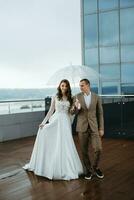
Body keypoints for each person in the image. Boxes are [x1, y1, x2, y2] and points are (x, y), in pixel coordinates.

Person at [23, 79, 83, 180]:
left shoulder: (71, 98)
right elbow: (51, 111)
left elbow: (72, 112)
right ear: (59, 86)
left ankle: (67, 168)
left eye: (66, 86)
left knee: (65, 143)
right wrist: (43, 123)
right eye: (62, 85)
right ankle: (50, 165)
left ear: (68, 87)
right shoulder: (55, 97)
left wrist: (77, 106)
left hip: (65, 122)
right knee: (50, 137)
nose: (64, 87)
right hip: (56, 121)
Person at [72, 79, 104, 180]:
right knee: (84, 151)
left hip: (94, 127)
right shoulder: (77, 97)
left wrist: (101, 128)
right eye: (80, 86)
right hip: (82, 127)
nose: (80, 87)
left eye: (82, 85)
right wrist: (76, 107)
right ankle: (89, 170)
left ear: (88, 85)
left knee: (98, 148)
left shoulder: (96, 97)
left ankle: (95, 167)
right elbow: (73, 112)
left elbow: (100, 113)